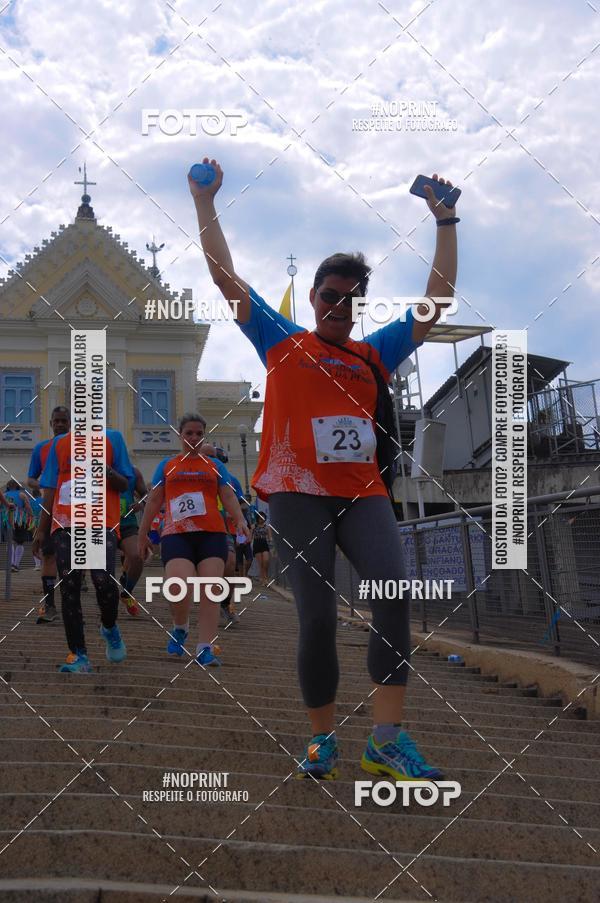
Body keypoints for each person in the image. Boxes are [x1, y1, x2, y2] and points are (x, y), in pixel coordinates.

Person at [190, 158, 457, 781]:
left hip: (362, 493)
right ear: (313, 299)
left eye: (350, 298)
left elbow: (436, 300)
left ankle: (385, 740)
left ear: (358, 305)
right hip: (295, 495)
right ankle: (322, 738)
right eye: (329, 295)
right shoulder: (282, 340)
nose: (340, 304)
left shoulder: (375, 352)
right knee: (317, 617)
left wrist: (446, 220)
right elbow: (225, 275)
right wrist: (205, 203)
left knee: (393, 595)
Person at [138, 414, 250, 667]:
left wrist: (240, 520)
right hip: (177, 534)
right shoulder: (167, 465)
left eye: (199, 434)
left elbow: (228, 497)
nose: (194, 438)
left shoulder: (214, 467)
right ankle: (181, 627)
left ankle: (205, 648)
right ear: (180, 435)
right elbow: (154, 500)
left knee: (211, 589)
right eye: (189, 433)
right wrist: (143, 533)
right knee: (177, 586)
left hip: (212, 533)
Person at [33, 429, 135, 673]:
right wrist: (41, 529)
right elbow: (50, 489)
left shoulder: (113, 438)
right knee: (69, 587)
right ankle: (79, 655)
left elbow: (125, 483)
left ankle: (109, 627)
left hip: (102, 522)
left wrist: (105, 469)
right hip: (65, 523)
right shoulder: (60, 443)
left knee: (104, 582)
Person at [27, 405, 71, 622]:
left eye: (64, 420)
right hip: (50, 508)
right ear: (51, 423)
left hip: (76, 513)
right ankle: (50, 605)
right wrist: (44, 485)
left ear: (70, 423)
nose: (60, 424)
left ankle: (73, 608)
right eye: (57, 421)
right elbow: (31, 478)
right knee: (49, 556)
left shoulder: (80, 447)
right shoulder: (41, 448)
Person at [118, 465, 148, 617]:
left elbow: (145, 495)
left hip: (127, 524)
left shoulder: (134, 471)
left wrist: (140, 504)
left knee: (137, 556)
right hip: (101, 524)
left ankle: (126, 594)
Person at [5, 480, 33, 572]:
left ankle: (11, 564)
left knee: (10, 541)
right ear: (17, 486)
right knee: (20, 542)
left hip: (8, 519)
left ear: (8, 486)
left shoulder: (4, 495)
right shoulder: (22, 495)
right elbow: (28, 507)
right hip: (20, 520)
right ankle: (15, 565)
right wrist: (32, 517)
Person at [252, 511, 271, 584]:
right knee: (261, 563)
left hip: (264, 544)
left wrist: (271, 545)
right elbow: (250, 537)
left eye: (263, 518)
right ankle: (263, 578)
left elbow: (270, 538)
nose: (262, 519)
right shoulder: (254, 526)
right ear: (258, 518)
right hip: (257, 544)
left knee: (266, 561)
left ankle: (265, 577)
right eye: (260, 518)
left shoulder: (267, 527)